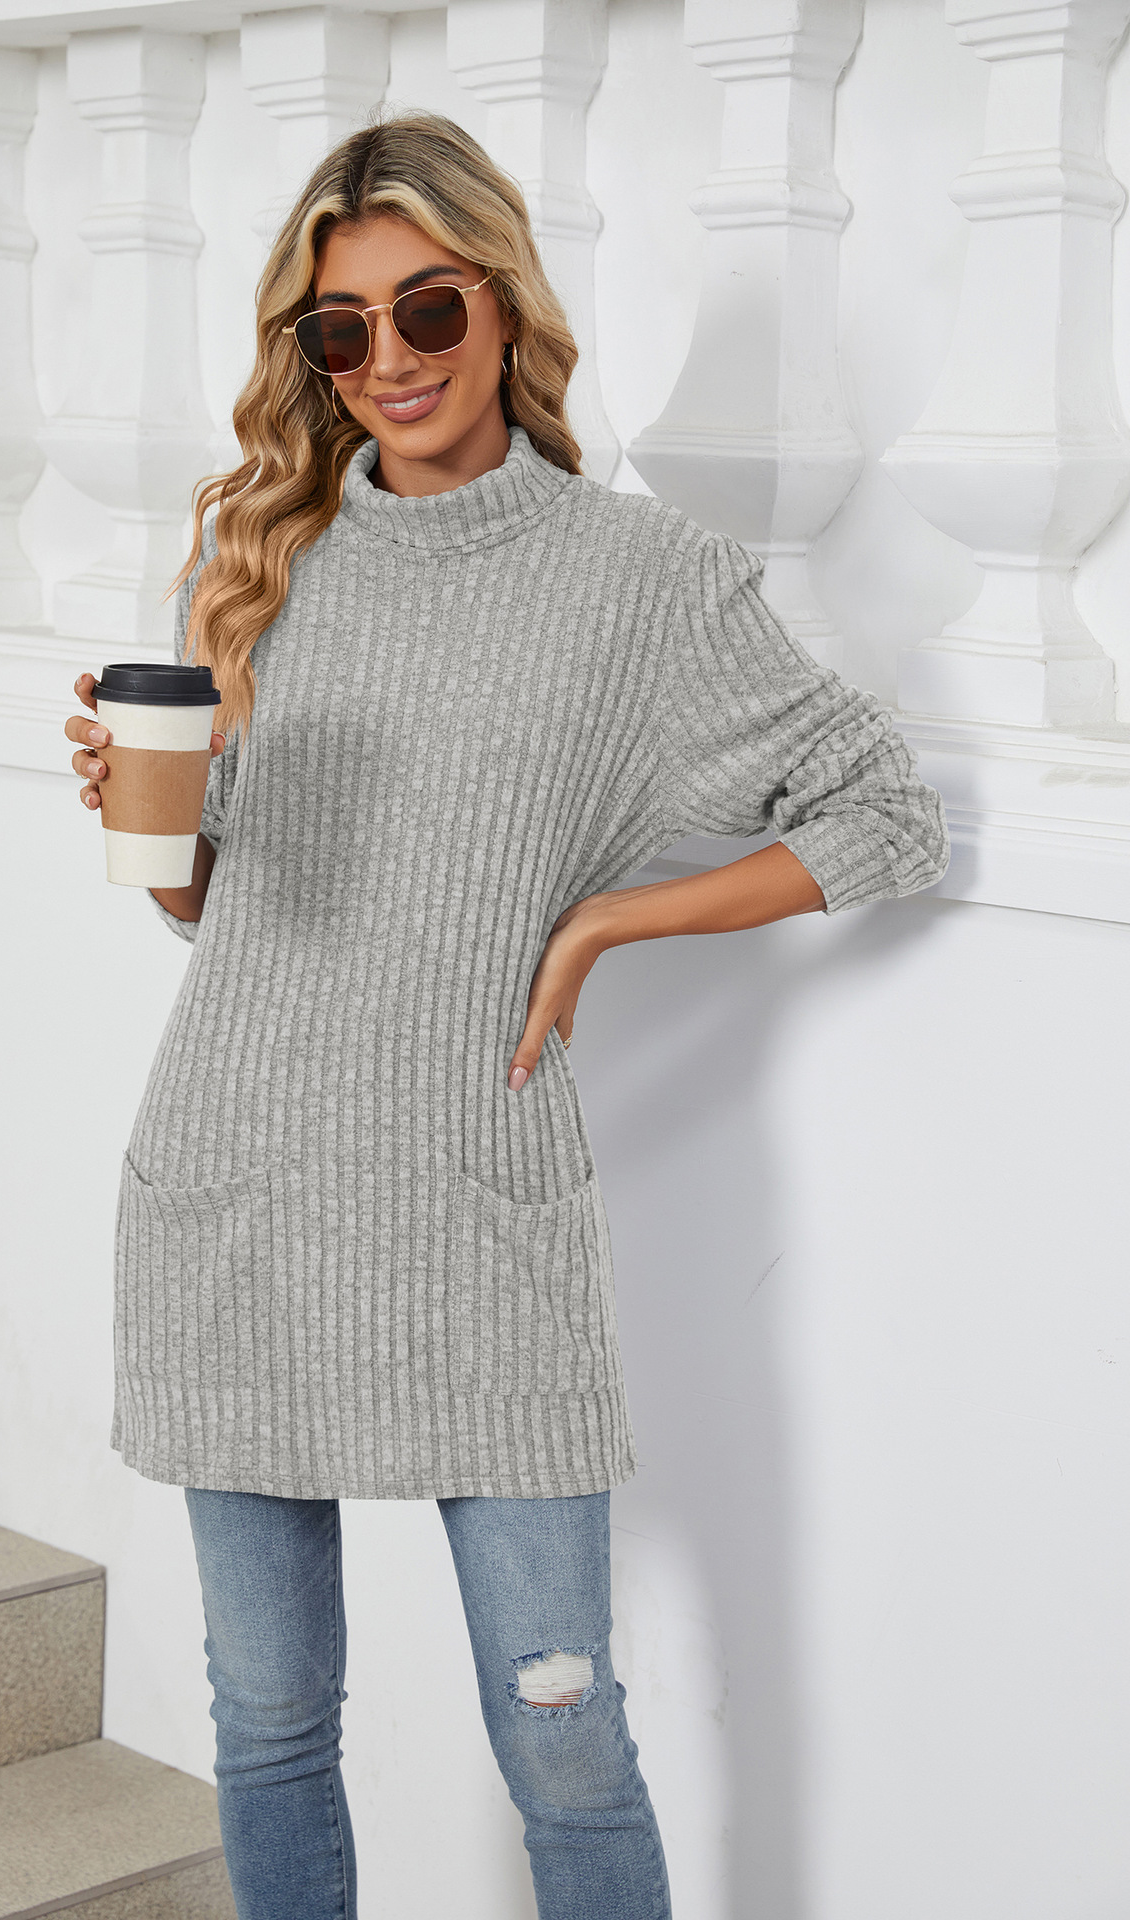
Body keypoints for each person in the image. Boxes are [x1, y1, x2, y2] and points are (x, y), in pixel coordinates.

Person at [64, 111, 949, 1920]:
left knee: (564, 1735)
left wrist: (613, 915)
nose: (388, 360)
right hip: (236, 1200)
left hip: (479, 1222)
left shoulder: (640, 583)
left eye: (428, 309)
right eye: (342, 329)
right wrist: (151, 830)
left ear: (505, 303)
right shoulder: (262, 561)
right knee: (270, 1727)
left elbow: (883, 810)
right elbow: (221, 914)